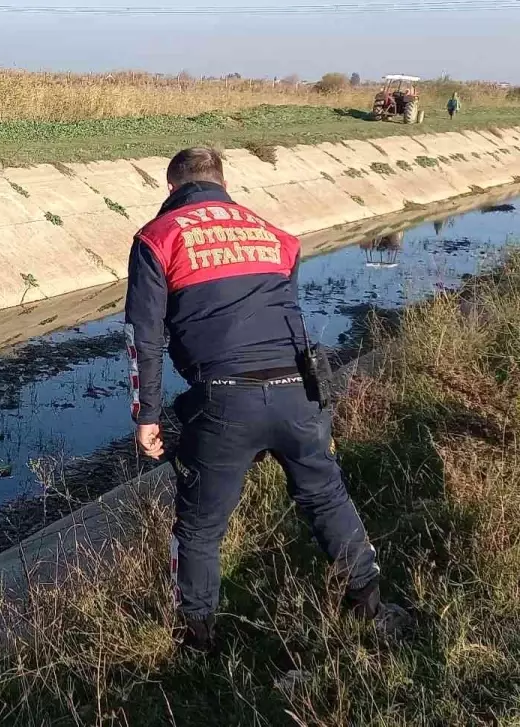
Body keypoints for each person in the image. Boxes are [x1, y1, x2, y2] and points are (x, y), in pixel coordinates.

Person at [124, 147, 390, 650]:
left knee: (200, 527)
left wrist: (148, 415)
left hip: (224, 400)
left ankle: (196, 639)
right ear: (222, 182)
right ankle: (368, 604)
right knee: (326, 496)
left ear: (171, 187)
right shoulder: (276, 236)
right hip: (299, 393)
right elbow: (286, 315)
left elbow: (144, 336)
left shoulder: (157, 239)